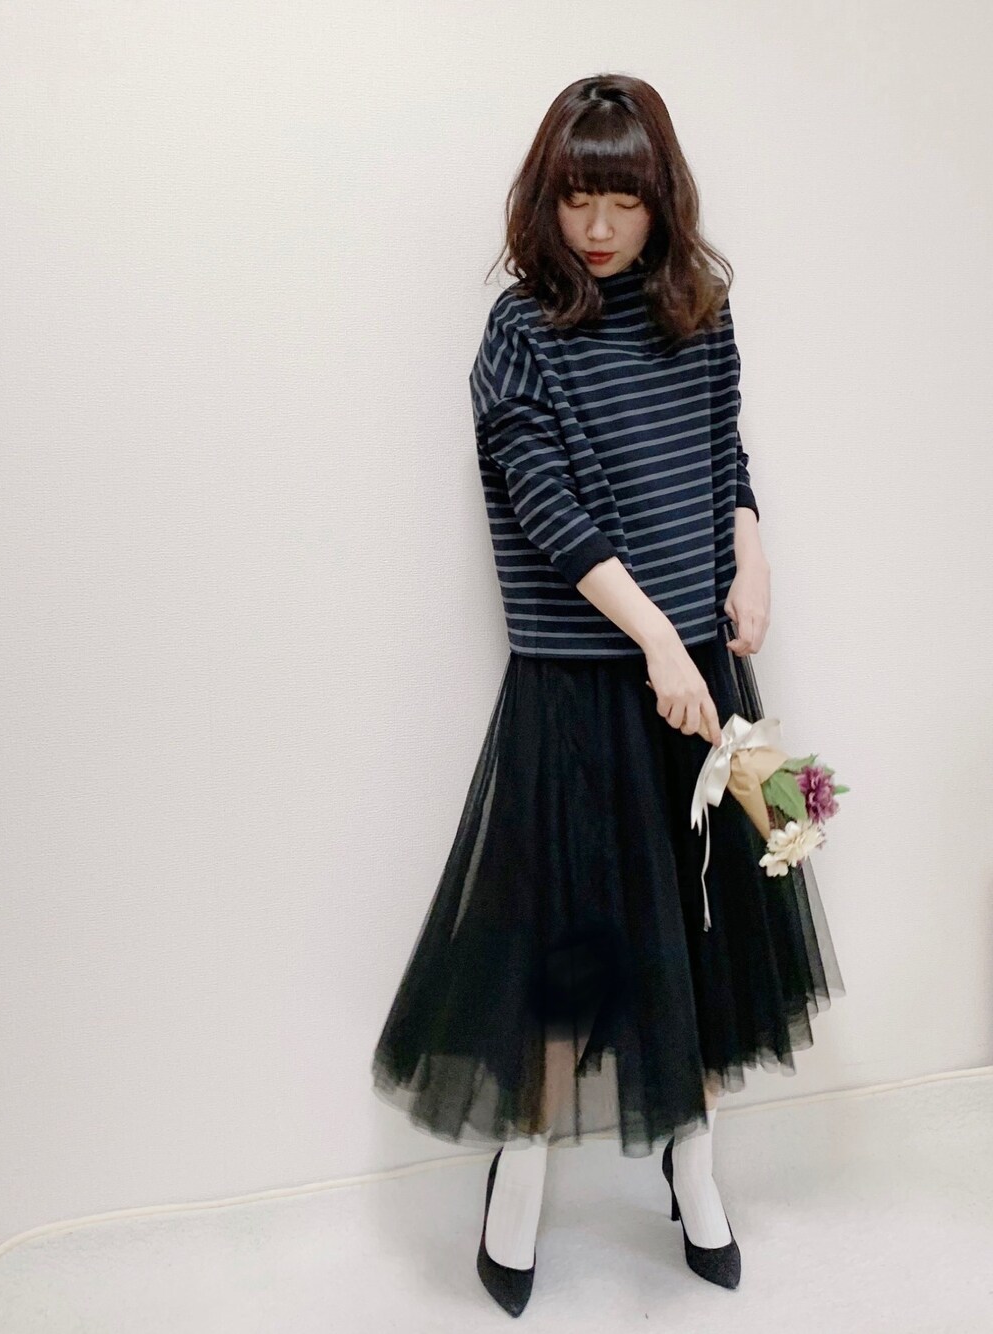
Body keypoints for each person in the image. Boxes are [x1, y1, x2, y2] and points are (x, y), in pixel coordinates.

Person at [371, 72, 845, 1316]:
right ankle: (519, 1176)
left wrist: (748, 556)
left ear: (659, 200)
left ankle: (695, 1170)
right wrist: (658, 643)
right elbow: (546, 504)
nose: (596, 226)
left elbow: (723, 453)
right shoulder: (521, 332)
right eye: (577, 197)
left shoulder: (700, 313)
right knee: (559, 950)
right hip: (584, 685)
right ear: (547, 197)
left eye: (621, 201)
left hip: (697, 676)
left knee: (702, 937)